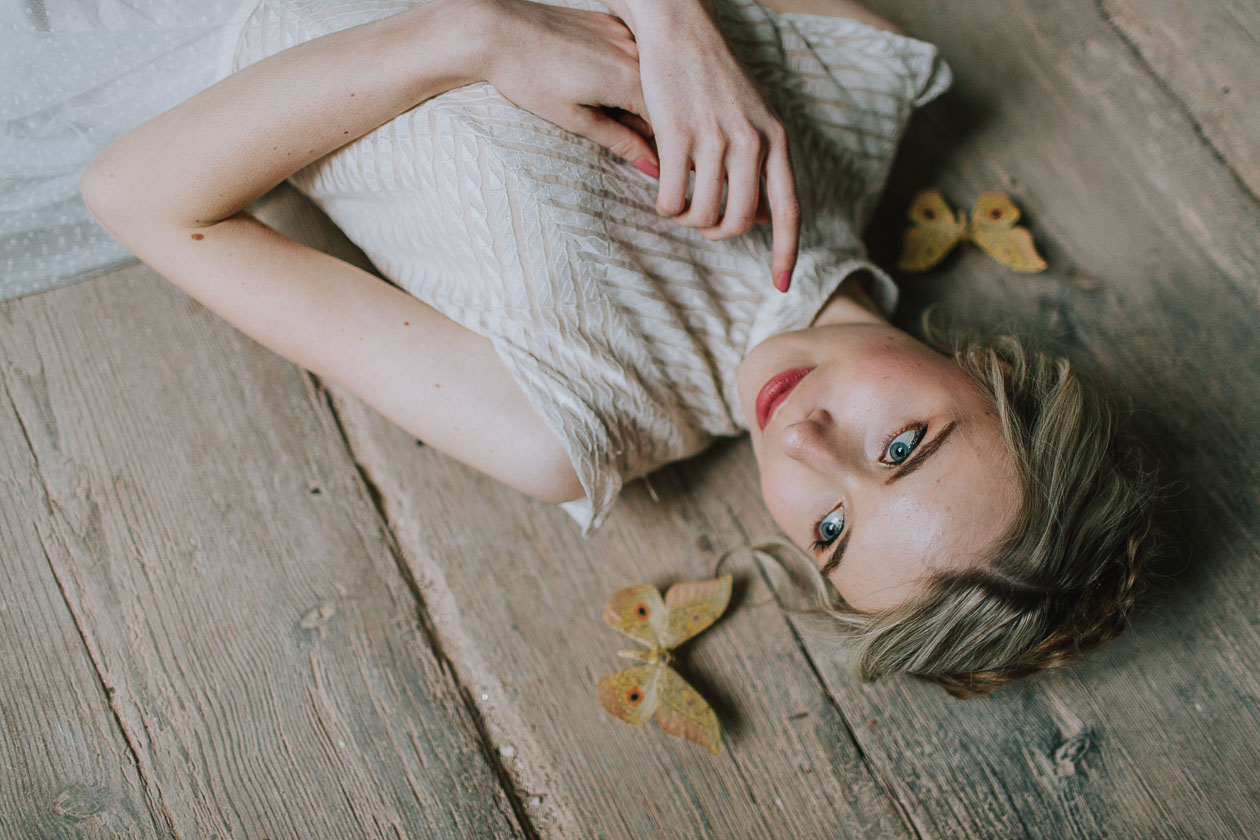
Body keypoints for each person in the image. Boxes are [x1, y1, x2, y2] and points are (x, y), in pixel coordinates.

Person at [80, 0, 1156, 696]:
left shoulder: (568, 418)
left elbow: (137, 197)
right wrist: (674, 22)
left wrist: (472, 37)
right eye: (903, 446)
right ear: (996, 372)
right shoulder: (853, 80)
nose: (809, 446)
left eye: (828, 528)